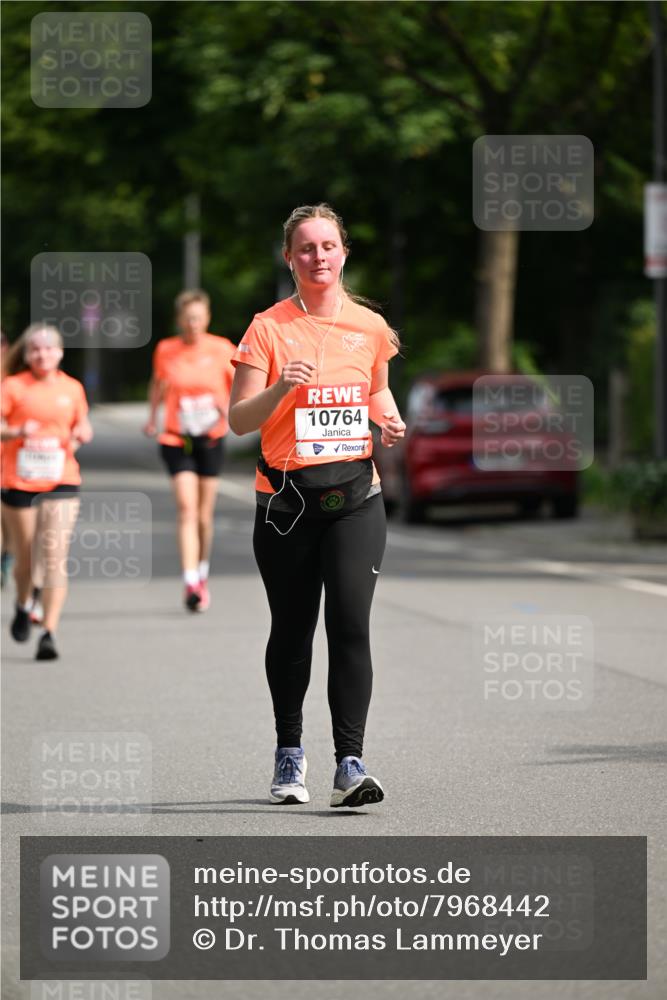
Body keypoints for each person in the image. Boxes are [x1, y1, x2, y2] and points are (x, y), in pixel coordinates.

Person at [229, 203, 406, 808]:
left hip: (357, 495)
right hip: (287, 502)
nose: (318, 257)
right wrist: (283, 387)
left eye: (328, 246)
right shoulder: (268, 328)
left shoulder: (369, 326)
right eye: (306, 248)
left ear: (344, 253)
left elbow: (375, 386)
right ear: (290, 258)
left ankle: (350, 764)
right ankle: (289, 752)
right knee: (294, 627)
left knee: (351, 623)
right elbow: (237, 420)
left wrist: (388, 415)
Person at [1, 323, 92, 660]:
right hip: (20, 481)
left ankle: (49, 632)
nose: (42, 354)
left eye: (49, 348)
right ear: (26, 354)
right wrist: (13, 431)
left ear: (60, 352)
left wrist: (83, 431)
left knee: (54, 557)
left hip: (61, 479)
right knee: (26, 558)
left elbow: (81, 423)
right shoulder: (12, 387)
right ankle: (24, 603)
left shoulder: (72, 388)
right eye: (35, 349)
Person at [144, 290, 236, 612]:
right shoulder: (166, 349)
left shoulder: (222, 348)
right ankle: (190, 580)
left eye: (198, 317)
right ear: (179, 320)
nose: (193, 323)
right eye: (187, 318)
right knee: (186, 508)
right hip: (176, 436)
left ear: (207, 318)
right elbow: (158, 383)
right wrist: (151, 417)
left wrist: (226, 409)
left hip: (210, 436)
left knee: (203, 515)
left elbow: (242, 386)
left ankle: (202, 571)